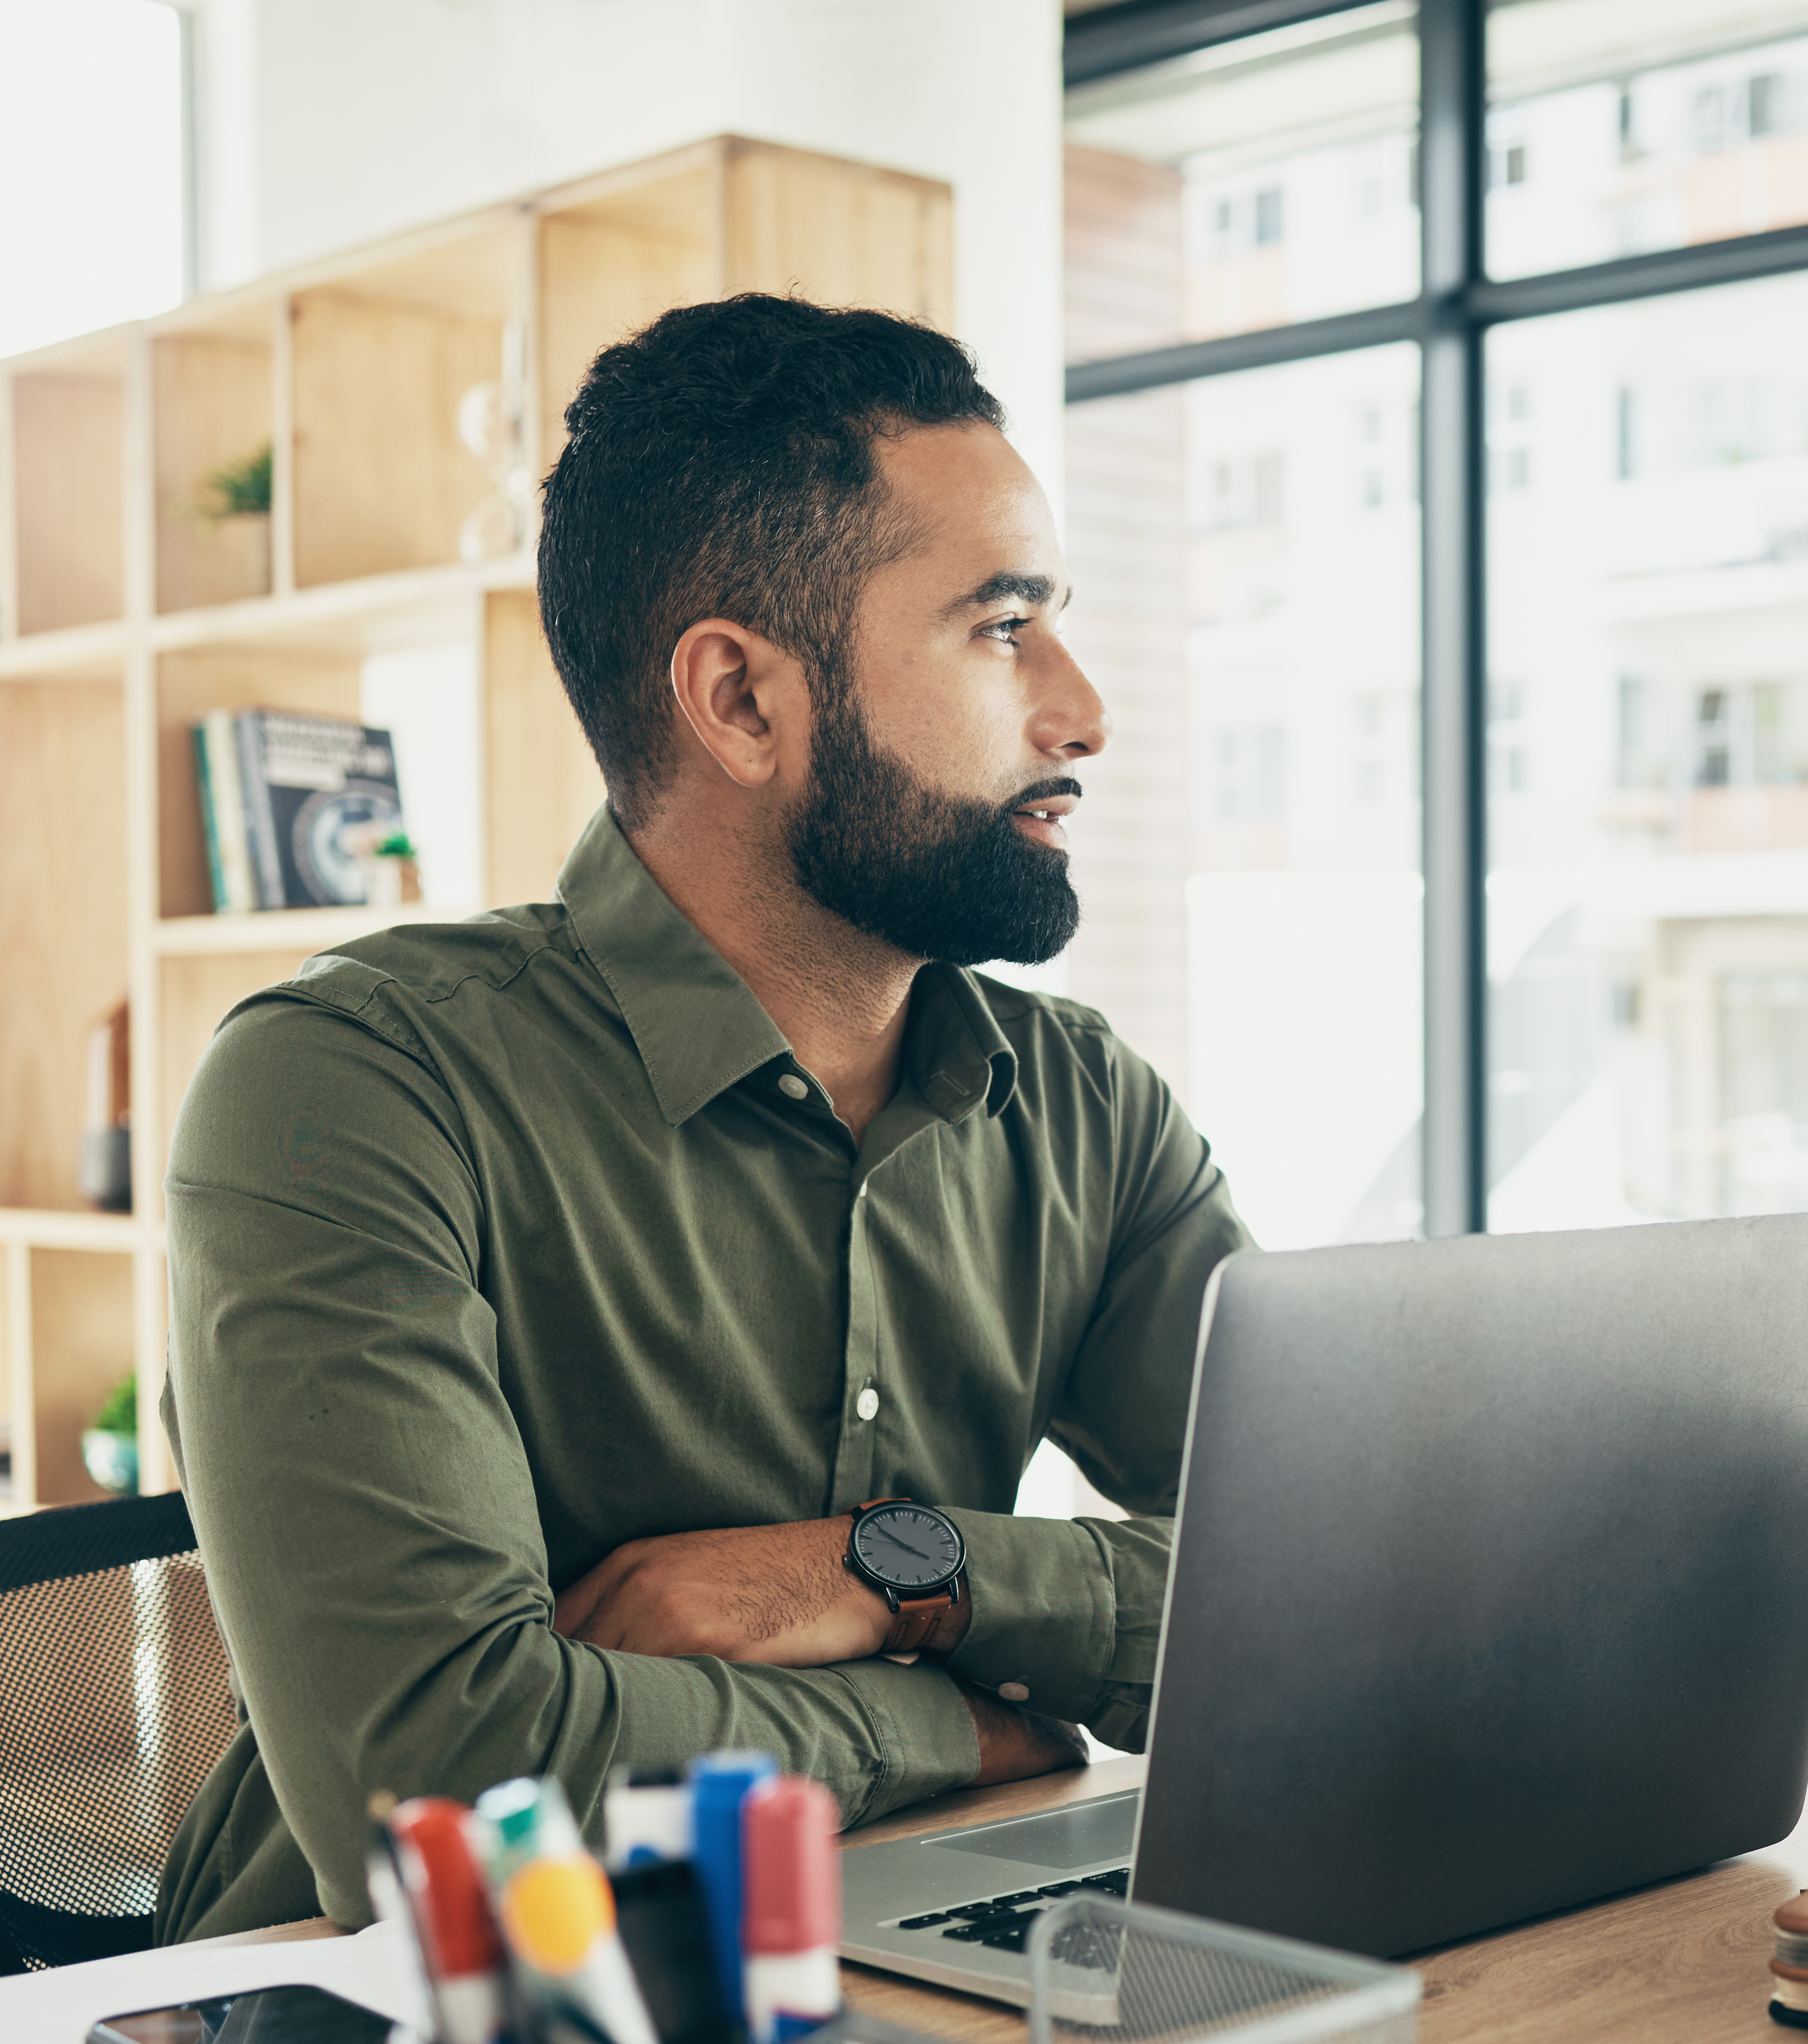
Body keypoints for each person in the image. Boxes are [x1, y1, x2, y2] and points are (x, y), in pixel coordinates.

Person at [152, 296, 1249, 1941]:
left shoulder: (1088, 1109)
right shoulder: (357, 1089)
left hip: (896, 1959)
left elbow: (1327, 1604)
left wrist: (896, 1567)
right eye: (1000, 628)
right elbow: (443, 1787)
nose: (1085, 711)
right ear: (740, 700)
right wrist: (948, 1720)